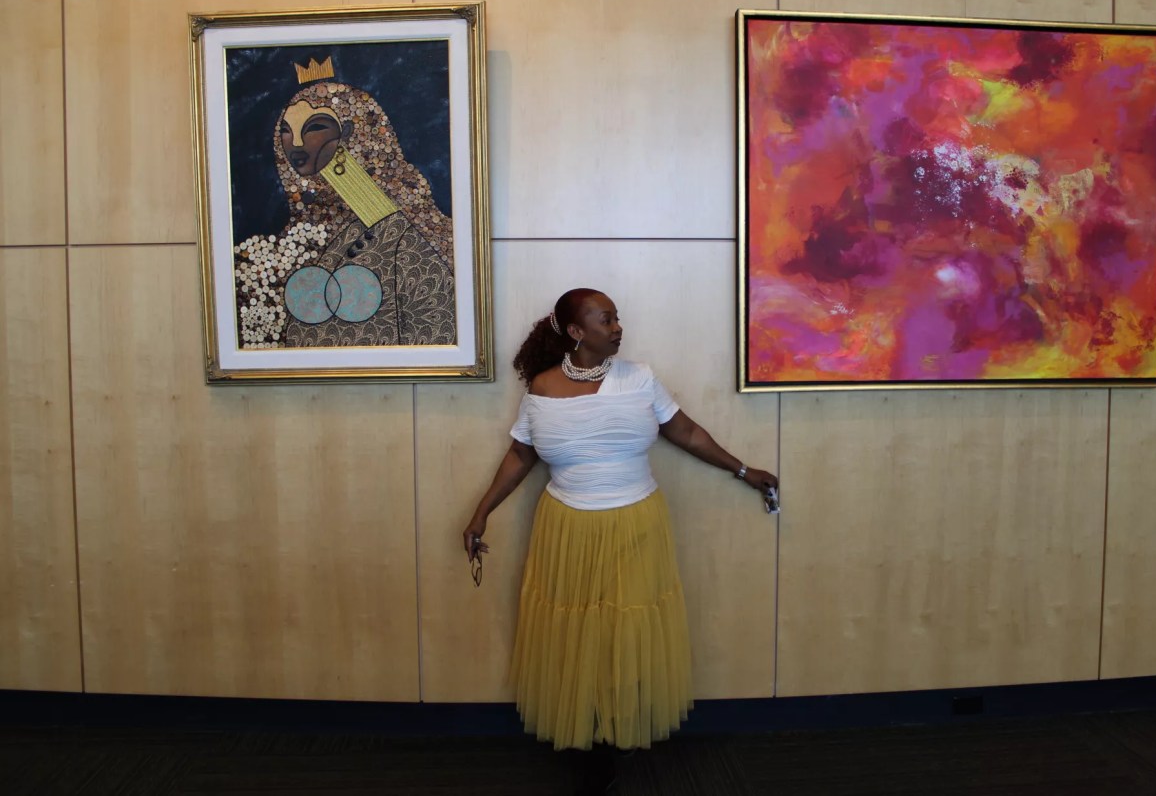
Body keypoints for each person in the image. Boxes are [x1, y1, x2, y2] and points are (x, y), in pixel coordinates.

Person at [462, 288, 778, 789]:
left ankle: (616, 728)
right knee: (576, 633)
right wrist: (481, 512)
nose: (618, 327)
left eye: (616, 318)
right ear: (575, 332)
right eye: (605, 319)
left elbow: (687, 433)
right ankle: (587, 736)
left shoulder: (639, 379)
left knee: (626, 628)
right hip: (567, 528)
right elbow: (521, 456)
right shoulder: (541, 390)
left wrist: (743, 469)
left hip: (635, 523)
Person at [232, 60, 456, 349]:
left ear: (350, 132)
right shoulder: (281, 248)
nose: (296, 143)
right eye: (286, 130)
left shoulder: (402, 238)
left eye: (315, 127)